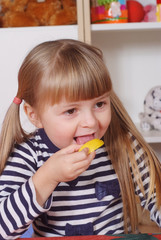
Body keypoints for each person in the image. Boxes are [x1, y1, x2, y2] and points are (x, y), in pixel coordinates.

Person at [0, 39, 161, 239]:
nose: (91, 122)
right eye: (71, 110)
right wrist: (48, 176)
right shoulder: (28, 154)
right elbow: (3, 229)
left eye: (99, 104)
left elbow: (157, 198)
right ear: (35, 116)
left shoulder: (123, 144)